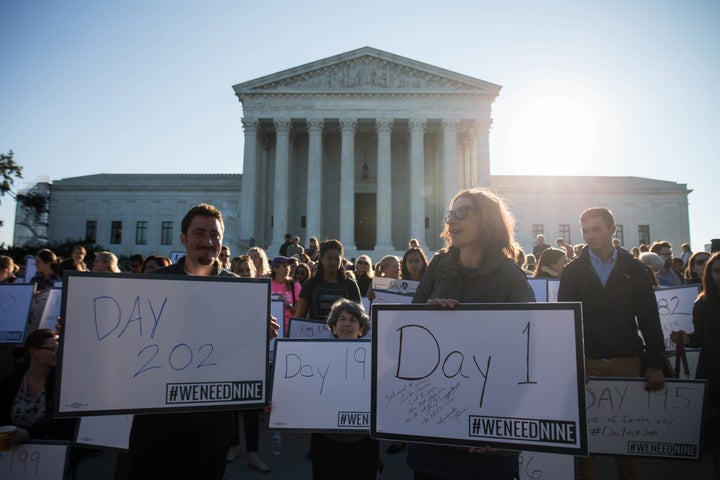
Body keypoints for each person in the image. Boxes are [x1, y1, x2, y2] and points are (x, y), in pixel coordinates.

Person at [128, 203, 279, 480]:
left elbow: (239, 350)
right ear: (183, 238)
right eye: (200, 233)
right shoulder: (153, 281)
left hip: (213, 417)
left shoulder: (239, 288)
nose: (208, 241)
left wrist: (259, 335)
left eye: (215, 235)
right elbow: (126, 338)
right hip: (158, 413)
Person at [409, 188, 535, 480]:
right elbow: (405, 340)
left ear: (487, 219)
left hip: (487, 429)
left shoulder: (510, 277)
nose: (452, 220)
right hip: (434, 425)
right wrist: (427, 316)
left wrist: (505, 431)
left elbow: (528, 354)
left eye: (463, 212)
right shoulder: (438, 267)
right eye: (450, 214)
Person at [558, 207, 665, 480]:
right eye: (585, 230)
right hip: (588, 363)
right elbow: (565, 322)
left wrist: (654, 364)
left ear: (612, 230)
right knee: (587, 442)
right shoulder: (572, 271)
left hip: (627, 361)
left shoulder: (635, 269)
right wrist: (574, 365)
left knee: (626, 440)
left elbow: (650, 320)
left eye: (596, 229)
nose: (589, 236)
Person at [310, 298, 378, 480]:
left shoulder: (376, 359)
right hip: (325, 441)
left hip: (363, 441)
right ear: (333, 326)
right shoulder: (315, 357)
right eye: (342, 319)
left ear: (361, 329)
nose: (347, 324)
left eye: (353, 320)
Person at [671, 252, 720, 476]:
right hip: (713, 369)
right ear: (709, 274)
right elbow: (698, 338)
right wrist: (684, 338)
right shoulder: (702, 302)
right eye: (717, 271)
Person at [0, 329, 74, 448]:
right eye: (52, 349)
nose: (57, 353)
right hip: (12, 449)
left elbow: (59, 417)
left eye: (59, 349)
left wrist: (29, 433)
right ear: (34, 352)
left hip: (49, 450)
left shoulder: (61, 381)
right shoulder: (12, 381)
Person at [295, 239, 361, 320]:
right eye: (329, 258)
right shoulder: (310, 284)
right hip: (315, 331)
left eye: (337, 259)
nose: (333, 262)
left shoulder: (351, 285)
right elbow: (300, 315)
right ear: (322, 259)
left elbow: (359, 316)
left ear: (341, 260)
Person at [270, 256, 301, 334]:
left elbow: (300, 312)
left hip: (290, 329)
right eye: (284, 266)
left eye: (288, 266)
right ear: (275, 269)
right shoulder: (268, 285)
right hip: (271, 328)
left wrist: (288, 306)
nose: (287, 268)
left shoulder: (295, 285)